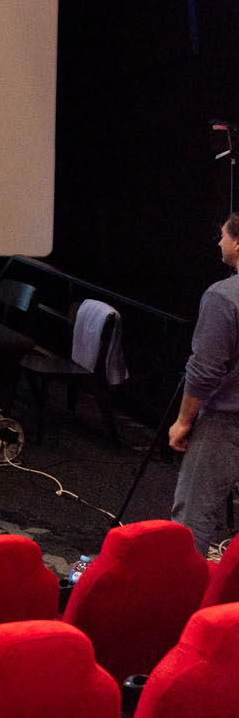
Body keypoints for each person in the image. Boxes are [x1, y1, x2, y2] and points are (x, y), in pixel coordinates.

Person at [170, 212, 239, 553]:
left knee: (192, 519)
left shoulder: (224, 297)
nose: (219, 242)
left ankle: (183, 585)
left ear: (238, 244)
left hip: (226, 423)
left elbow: (205, 370)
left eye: (223, 235)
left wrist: (184, 420)